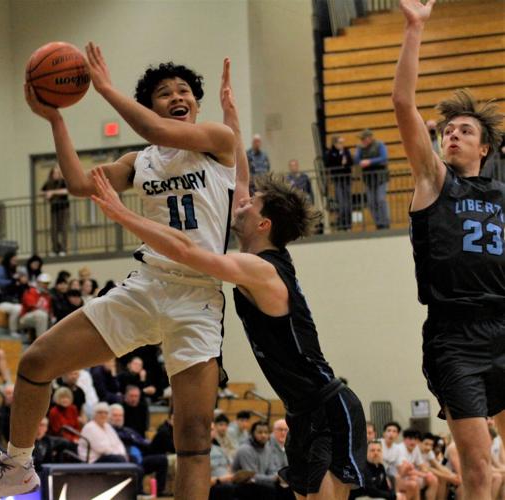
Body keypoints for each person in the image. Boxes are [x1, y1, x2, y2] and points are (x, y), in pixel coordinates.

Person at [0, 51, 238, 500]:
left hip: (198, 296)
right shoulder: (140, 160)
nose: (176, 96)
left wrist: (104, 88)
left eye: (184, 91)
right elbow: (78, 183)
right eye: (164, 93)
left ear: (197, 105)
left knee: (193, 436)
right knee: (35, 364)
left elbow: (154, 128)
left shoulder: (217, 141)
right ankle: (16, 467)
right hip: (147, 286)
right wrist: (56, 120)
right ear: (152, 105)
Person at [90, 61, 366, 499]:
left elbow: (184, 251)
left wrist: (122, 214)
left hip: (328, 407)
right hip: (301, 410)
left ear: (264, 224)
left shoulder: (259, 269)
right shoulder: (256, 255)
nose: (243, 199)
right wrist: (231, 115)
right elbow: (236, 176)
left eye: (252, 203)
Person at [392, 1, 505, 499]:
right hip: (454, 336)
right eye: (448, 130)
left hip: (503, 323)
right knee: (478, 471)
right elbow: (402, 104)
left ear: (485, 148)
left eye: (465, 131)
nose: (452, 135)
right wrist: (415, 29)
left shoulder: (501, 195)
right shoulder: (434, 181)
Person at [355, 129, 390, 229]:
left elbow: (384, 157)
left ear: (370, 138)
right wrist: (358, 150)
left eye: (363, 138)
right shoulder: (360, 148)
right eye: (361, 139)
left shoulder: (380, 145)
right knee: (371, 203)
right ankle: (378, 222)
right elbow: (357, 160)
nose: (362, 141)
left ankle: (385, 222)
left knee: (380, 199)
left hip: (381, 178)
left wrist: (370, 162)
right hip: (368, 179)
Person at [325, 136, 353, 231]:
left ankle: (348, 224)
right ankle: (342, 223)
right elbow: (329, 164)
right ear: (335, 144)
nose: (341, 145)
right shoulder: (330, 153)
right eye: (339, 143)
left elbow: (350, 162)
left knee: (348, 202)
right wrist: (340, 162)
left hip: (347, 179)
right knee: (341, 202)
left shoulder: (346, 151)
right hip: (338, 180)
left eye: (342, 143)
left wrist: (345, 162)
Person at [42, 166, 70, 256]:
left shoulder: (63, 182)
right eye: (54, 173)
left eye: (58, 173)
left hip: (64, 208)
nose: (56, 175)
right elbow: (42, 191)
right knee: (53, 229)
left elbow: (67, 191)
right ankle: (55, 249)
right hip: (54, 208)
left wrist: (53, 192)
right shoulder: (49, 183)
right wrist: (46, 194)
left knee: (64, 228)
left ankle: (63, 249)